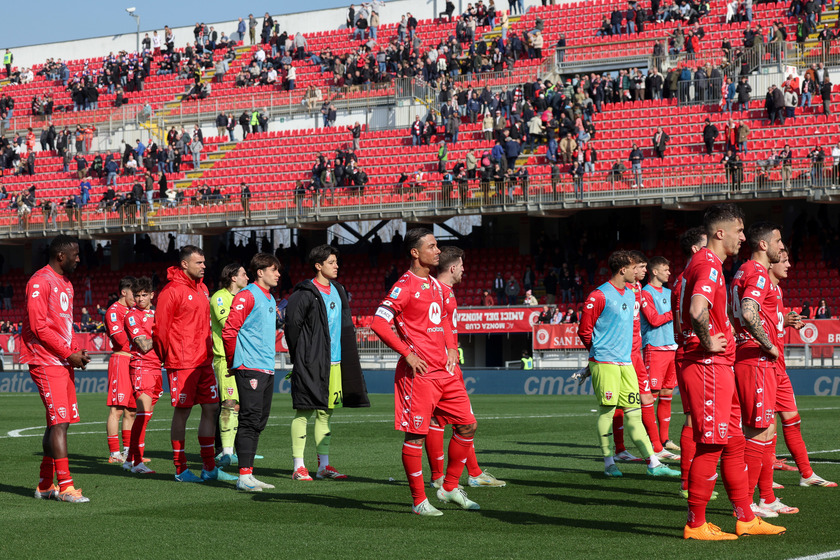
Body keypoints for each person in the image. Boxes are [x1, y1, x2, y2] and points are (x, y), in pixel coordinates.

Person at [678, 204, 784, 539]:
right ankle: (696, 524)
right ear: (719, 233)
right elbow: (697, 309)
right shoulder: (708, 264)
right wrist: (708, 341)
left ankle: (746, 516)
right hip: (708, 364)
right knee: (711, 444)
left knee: (735, 441)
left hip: (718, 365)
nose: (743, 237)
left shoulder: (698, 265)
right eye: (739, 231)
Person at [371, 228, 479, 516]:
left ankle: (449, 486)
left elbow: (445, 320)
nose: (438, 251)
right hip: (419, 376)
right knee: (415, 437)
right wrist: (407, 353)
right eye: (432, 246)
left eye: (438, 246)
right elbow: (379, 324)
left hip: (445, 372)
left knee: (467, 425)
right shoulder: (403, 287)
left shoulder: (436, 286)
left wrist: (453, 348)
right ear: (415, 253)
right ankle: (419, 501)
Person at [577, 250, 679, 478]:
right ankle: (609, 463)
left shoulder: (633, 294)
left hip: (627, 362)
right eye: (636, 268)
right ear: (623, 270)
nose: (639, 271)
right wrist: (598, 354)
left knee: (634, 413)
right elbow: (584, 331)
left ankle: (653, 462)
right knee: (607, 412)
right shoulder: (598, 295)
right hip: (605, 363)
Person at [285, 245, 369, 481]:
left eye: (336, 262)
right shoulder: (304, 293)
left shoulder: (339, 290)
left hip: (335, 362)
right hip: (311, 363)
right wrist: (301, 357)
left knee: (326, 413)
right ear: (318, 265)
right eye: (331, 262)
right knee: (304, 411)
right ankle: (299, 466)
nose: (337, 265)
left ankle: (324, 466)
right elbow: (292, 328)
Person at [425, 247, 506, 488]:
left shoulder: (443, 291)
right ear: (452, 268)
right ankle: (457, 477)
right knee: (463, 421)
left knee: (442, 421)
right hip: (441, 368)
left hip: (446, 366)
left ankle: (448, 477)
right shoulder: (435, 291)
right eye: (461, 266)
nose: (464, 270)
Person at [23, 235, 92, 503]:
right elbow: (39, 327)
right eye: (75, 254)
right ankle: (65, 487)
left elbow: (65, 325)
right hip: (44, 360)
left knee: (56, 423)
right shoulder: (40, 281)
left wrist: (75, 349)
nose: (78, 259)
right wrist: (67, 353)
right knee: (60, 422)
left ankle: (44, 485)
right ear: (60, 256)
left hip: (62, 361)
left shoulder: (66, 284)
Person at [152, 246, 226, 483]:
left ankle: (209, 466)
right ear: (184, 264)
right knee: (183, 412)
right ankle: (180, 469)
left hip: (204, 361)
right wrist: (168, 356)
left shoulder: (203, 289)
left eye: (204, 262)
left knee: (212, 408)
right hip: (182, 362)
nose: (204, 266)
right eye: (199, 263)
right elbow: (160, 330)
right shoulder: (170, 291)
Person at [767, 251, 837, 488]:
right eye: (784, 260)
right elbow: (749, 318)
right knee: (763, 426)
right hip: (762, 366)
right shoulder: (760, 284)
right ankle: (761, 479)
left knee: (792, 419)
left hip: (779, 367)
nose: (788, 264)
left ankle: (806, 474)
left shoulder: (777, 290)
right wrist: (781, 320)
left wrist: (786, 320)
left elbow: (771, 320)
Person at [221, 254, 282, 491]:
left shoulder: (270, 298)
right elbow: (229, 331)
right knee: (249, 419)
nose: (278, 274)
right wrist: (232, 362)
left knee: (258, 421)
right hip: (249, 366)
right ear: (260, 272)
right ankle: (243, 477)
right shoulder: (246, 295)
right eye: (273, 270)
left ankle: (249, 474)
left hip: (266, 367)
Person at [210, 263, 250, 467]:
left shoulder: (243, 298)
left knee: (239, 405)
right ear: (233, 277)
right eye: (244, 274)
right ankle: (225, 452)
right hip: (225, 357)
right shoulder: (219, 297)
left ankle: (233, 449)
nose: (248, 278)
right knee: (228, 403)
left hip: (243, 357)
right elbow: (229, 324)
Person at [640, 257, 680, 452]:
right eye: (665, 269)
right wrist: (674, 312)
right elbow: (654, 320)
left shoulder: (669, 293)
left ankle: (664, 440)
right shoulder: (645, 293)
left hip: (672, 348)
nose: (669, 273)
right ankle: (651, 441)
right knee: (651, 396)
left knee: (667, 395)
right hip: (654, 348)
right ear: (654, 272)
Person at [124, 277, 163, 474]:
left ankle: (129, 459)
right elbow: (144, 345)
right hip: (141, 366)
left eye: (144, 295)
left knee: (147, 416)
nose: (139, 299)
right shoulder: (132, 316)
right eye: (137, 296)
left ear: (151, 295)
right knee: (143, 413)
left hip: (157, 368)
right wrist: (162, 333)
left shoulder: (156, 314)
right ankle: (137, 463)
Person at [104, 276, 137, 464]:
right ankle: (114, 453)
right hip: (121, 360)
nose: (137, 298)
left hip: (135, 361)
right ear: (124, 292)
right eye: (134, 293)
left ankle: (127, 452)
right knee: (117, 409)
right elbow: (119, 339)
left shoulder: (133, 311)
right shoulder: (114, 311)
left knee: (131, 410)